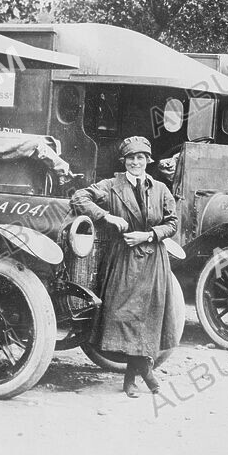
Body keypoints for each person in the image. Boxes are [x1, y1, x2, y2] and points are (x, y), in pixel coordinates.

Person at [71, 136, 179, 397]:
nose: (135, 162)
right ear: (124, 161)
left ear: (147, 161)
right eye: (131, 158)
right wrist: (106, 216)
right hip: (123, 260)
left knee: (147, 318)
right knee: (122, 315)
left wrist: (149, 235)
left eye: (140, 158)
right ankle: (147, 373)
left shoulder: (161, 189)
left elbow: (173, 223)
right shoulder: (111, 186)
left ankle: (131, 378)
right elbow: (78, 197)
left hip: (154, 259)